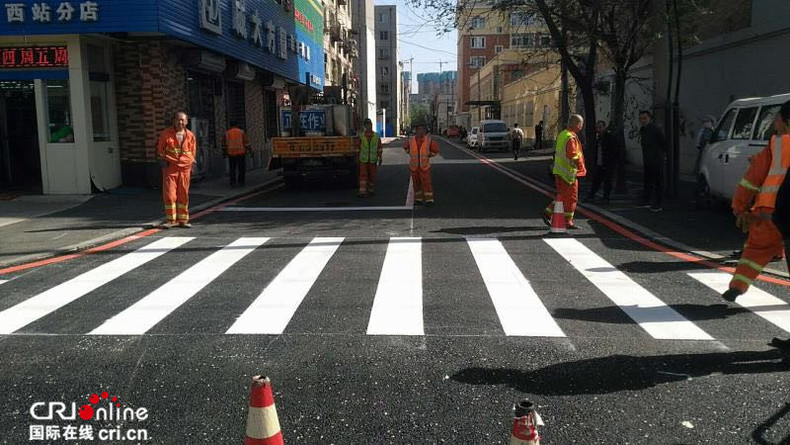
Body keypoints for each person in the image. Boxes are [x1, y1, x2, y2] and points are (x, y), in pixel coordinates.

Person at [723, 100, 790, 307]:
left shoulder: (776, 145)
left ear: (787, 121)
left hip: (770, 211)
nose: (774, 124)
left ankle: (737, 286)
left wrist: (739, 206)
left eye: (777, 120)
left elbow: (752, 179)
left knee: (755, 250)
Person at [543, 114, 587, 229]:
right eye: (581, 124)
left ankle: (548, 212)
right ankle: (568, 221)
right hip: (569, 173)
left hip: (559, 171)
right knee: (572, 198)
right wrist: (580, 161)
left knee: (562, 196)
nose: (581, 127)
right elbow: (572, 155)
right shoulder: (571, 137)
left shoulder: (563, 134)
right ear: (577, 124)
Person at [157, 111, 196, 229]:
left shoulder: (190, 136)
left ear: (187, 122)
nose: (180, 122)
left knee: (183, 194)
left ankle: (183, 220)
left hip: (185, 169)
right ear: (174, 121)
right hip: (171, 168)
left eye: (183, 120)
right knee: (169, 195)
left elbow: (193, 152)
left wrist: (191, 165)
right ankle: (171, 220)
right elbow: (160, 151)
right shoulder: (165, 134)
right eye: (178, 120)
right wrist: (165, 160)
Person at [403, 123, 440, 205]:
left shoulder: (428, 141)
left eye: (422, 129)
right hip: (414, 167)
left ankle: (429, 200)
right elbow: (405, 147)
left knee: (426, 183)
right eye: (419, 129)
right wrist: (410, 153)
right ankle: (418, 199)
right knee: (416, 184)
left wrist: (429, 155)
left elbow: (436, 149)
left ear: (425, 131)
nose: (421, 131)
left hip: (424, 166)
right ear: (416, 131)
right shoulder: (411, 140)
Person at [638, 110, 667, 212]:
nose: (642, 121)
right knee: (648, 181)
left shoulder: (656, 129)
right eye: (641, 118)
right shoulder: (643, 130)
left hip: (656, 159)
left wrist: (661, 155)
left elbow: (663, 143)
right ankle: (647, 200)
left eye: (645, 118)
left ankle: (658, 204)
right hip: (647, 159)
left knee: (658, 182)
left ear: (650, 118)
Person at [586, 120, 618, 204]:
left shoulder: (610, 137)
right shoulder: (599, 138)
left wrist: (612, 162)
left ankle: (606, 198)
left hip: (608, 164)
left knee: (607, 181)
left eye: (600, 127)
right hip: (600, 163)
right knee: (596, 180)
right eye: (597, 127)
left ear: (604, 127)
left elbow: (615, 151)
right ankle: (591, 195)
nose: (598, 129)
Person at [358, 118, 383, 197]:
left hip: (372, 159)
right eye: (367, 125)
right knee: (363, 175)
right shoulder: (361, 136)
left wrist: (380, 157)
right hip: (364, 159)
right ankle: (362, 191)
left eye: (370, 124)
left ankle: (371, 190)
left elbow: (379, 148)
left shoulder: (376, 136)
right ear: (365, 126)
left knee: (372, 175)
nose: (369, 126)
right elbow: (358, 147)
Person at [222, 122, 252, 187]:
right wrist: (250, 151)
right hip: (241, 153)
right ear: (237, 125)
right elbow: (246, 143)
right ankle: (241, 182)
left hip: (231, 153)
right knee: (241, 168)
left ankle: (233, 182)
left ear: (230, 126)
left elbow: (223, 144)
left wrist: (224, 152)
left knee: (232, 169)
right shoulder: (241, 132)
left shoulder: (227, 133)